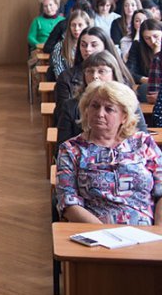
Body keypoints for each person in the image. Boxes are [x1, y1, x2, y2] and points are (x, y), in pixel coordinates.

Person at [56, 80, 162, 225]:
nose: (100, 114)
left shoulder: (143, 142)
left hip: (145, 230)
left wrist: (158, 230)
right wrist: (104, 232)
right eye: (94, 106)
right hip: (94, 230)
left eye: (109, 109)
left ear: (124, 116)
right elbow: (68, 202)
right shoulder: (71, 149)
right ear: (86, 110)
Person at [55, 51, 145, 144]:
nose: (95, 76)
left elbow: (141, 136)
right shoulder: (70, 106)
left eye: (101, 71)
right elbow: (63, 145)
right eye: (90, 71)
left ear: (114, 74)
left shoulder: (128, 102)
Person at [51, 10, 93, 78]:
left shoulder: (93, 46)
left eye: (80, 25)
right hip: (67, 81)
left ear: (87, 26)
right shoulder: (60, 46)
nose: (76, 29)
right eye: (73, 25)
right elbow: (58, 70)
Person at [126, 19, 162, 84]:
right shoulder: (137, 46)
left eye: (156, 36)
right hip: (145, 85)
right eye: (147, 38)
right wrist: (144, 79)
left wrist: (157, 52)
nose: (153, 41)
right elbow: (129, 71)